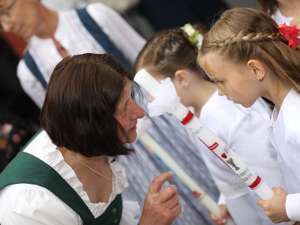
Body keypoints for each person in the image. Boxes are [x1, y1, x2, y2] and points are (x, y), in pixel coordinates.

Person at [0, 53, 181, 225]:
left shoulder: (85, 142)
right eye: (125, 106)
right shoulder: (29, 208)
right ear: (92, 123)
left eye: (132, 97)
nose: (140, 113)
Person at [134, 26, 287, 225]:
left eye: (152, 91)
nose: (151, 101)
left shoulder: (231, 115)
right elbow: (233, 169)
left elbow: (272, 180)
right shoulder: (198, 116)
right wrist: (227, 203)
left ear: (181, 79)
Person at [198, 7, 300, 224]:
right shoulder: (280, 112)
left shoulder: (295, 120)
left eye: (220, 80)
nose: (219, 91)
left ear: (255, 69)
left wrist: (288, 207)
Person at [0, 0, 145, 107]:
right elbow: (66, 130)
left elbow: (150, 65)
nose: (7, 26)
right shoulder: (28, 73)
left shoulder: (95, 16)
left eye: (7, 10)